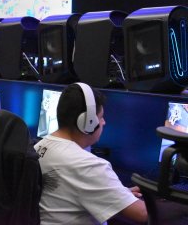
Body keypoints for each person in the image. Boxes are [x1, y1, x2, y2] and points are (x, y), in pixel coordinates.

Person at [34, 82, 147, 225]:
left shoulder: (38, 147)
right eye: (101, 117)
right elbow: (142, 214)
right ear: (87, 122)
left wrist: (118, 196)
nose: (104, 122)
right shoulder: (88, 165)